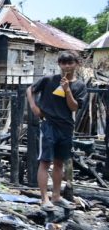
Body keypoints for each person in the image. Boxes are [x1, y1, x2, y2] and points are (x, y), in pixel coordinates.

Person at [26, 50, 87, 211]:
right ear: (59, 64)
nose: (67, 66)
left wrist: (67, 90)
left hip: (66, 127)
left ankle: (57, 196)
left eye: (70, 63)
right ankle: (44, 198)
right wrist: (34, 107)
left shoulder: (80, 86)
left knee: (60, 162)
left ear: (76, 64)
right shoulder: (49, 80)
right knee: (45, 161)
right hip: (48, 124)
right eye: (63, 63)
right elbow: (30, 90)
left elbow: (74, 107)